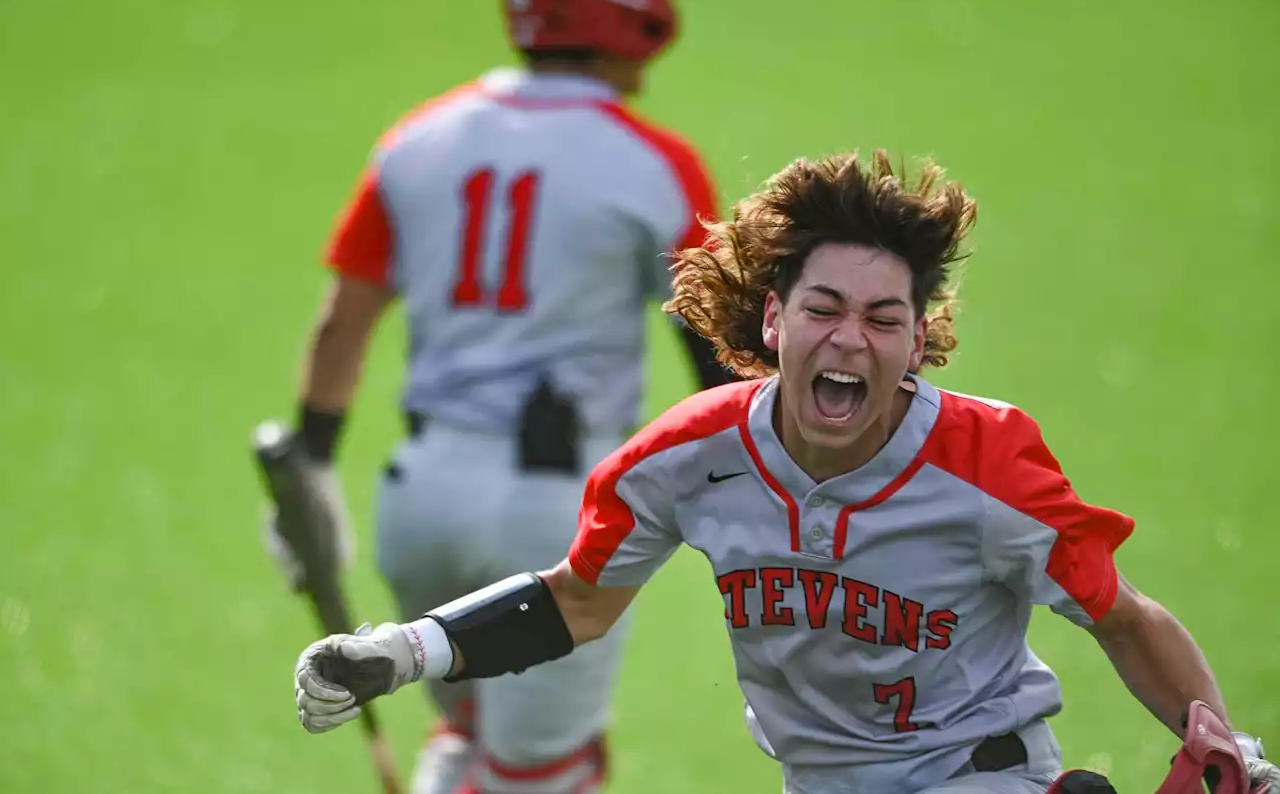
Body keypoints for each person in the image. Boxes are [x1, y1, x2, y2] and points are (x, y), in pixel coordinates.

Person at [290, 150, 1280, 794]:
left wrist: (1225, 746)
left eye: (883, 317)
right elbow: (573, 601)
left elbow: (1120, 614)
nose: (849, 336)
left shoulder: (986, 462)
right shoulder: (689, 456)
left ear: (917, 341)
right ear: (771, 319)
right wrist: (401, 649)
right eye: (822, 307)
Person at [263, 0, 733, 791]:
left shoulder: (417, 139)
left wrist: (314, 469)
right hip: (555, 514)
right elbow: (725, 365)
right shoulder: (656, 161)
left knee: (467, 728)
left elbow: (343, 323)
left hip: (419, 499)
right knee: (544, 773)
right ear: (632, 15)